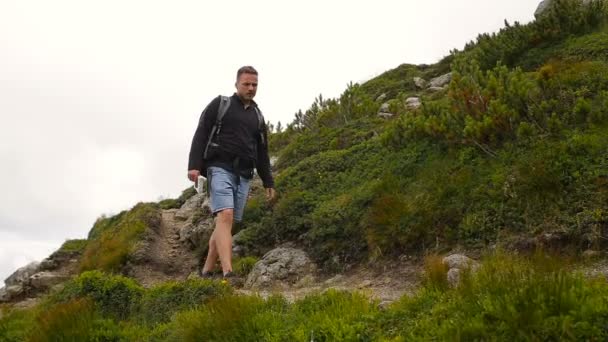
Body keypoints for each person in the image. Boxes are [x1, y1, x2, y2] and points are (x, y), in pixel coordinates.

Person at [187, 65, 276, 282]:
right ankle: (228, 272)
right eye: (246, 84)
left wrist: (268, 181)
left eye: (254, 84)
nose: (251, 88)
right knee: (225, 216)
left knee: (226, 223)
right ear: (236, 84)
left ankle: (207, 271)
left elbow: (262, 152)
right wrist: (194, 165)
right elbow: (201, 132)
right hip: (219, 168)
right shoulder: (221, 104)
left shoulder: (258, 116)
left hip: (244, 174)